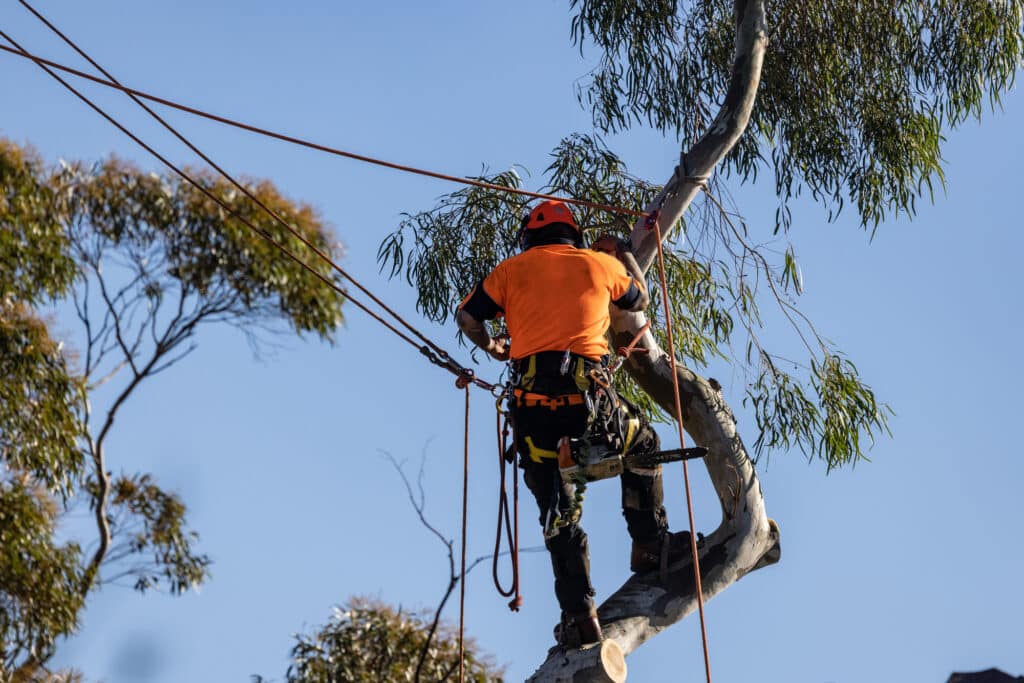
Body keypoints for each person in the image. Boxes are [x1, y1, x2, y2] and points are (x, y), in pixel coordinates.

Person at [456, 199, 691, 648]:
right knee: (643, 443)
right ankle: (649, 544)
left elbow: (468, 317)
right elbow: (639, 298)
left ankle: (580, 616)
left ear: (529, 237)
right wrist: (622, 252)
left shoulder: (510, 270)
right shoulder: (598, 263)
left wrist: (494, 347)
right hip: (590, 411)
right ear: (574, 236)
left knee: (556, 511)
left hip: (533, 415)